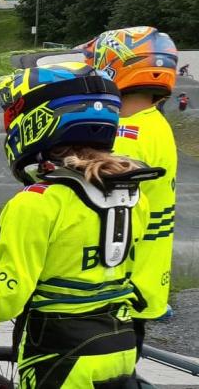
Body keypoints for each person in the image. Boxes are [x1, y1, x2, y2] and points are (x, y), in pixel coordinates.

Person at [0, 62, 159, 386]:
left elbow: (9, 298)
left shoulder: (37, 202)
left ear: (37, 121)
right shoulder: (134, 196)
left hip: (58, 353)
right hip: (120, 344)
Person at [82, 27, 179, 354]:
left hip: (119, 282)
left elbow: (90, 189)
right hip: (145, 277)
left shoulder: (127, 133)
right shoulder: (156, 124)